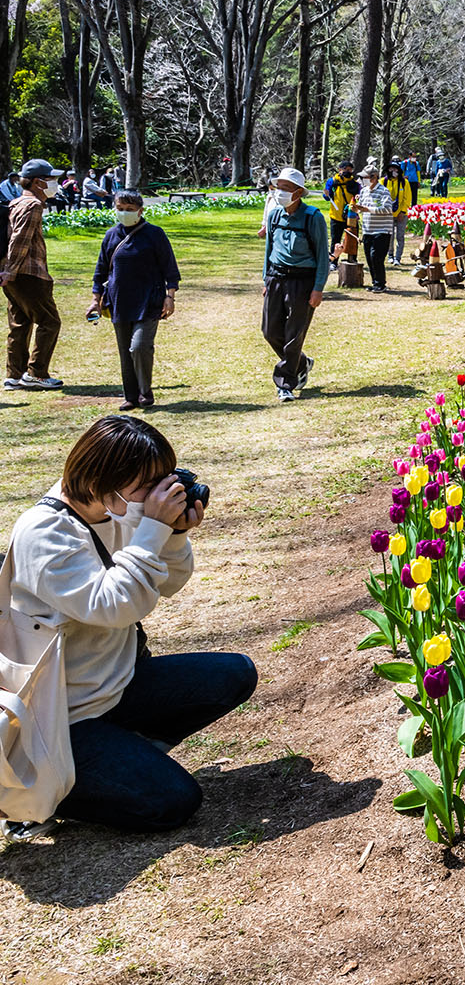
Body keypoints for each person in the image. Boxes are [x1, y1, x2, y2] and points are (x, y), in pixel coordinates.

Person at [1, 414, 255, 832]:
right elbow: (115, 605)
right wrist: (152, 525)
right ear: (105, 478)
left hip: (117, 686)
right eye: (147, 485)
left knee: (235, 673)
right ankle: (40, 798)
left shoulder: (116, 506)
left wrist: (171, 534)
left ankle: (125, 753)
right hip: (62, 720)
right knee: (174, 802)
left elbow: (170, 582)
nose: (157, 494)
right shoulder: (45, 533)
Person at [89, 192, 179, 410]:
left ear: (141, 210)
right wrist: (95, 300)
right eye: (120, 208)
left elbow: (170, 269)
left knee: (139, 347)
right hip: (119, 301)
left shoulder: (154, 234)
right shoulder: (111, 235)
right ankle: (131, 396)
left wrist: (170, 296)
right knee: (124, 351)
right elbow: (100, 271)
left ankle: (145, 391)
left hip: (149, 300)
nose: (125, 213)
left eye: (130, 209)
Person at [262, 167, 329, 402]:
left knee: (294, 333)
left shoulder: (313, 217)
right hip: (276, 277)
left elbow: (323, 256)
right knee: (270, 331)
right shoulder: (274, 215)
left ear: (299, 193)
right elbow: (269, 249)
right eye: (278, 187)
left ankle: (285, 383)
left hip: (303, 280)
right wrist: (265, 280)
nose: (280, 192)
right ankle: (301, 362)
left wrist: (318, 288)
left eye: (286, 188)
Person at [3, 160, 63, 391]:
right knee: (50, 322)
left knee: (20, 323)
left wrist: (7, 272)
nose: (54, 184)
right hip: (28, 273)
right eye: (51, 179)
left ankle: (14, 375)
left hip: (12, 275)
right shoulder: (32, 205)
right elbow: (20, 240)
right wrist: (11, 270)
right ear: (39, 182)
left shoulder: (15, 203)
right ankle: (36, 373)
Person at [356, 168, 399, 293]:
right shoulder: (363, 191)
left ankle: (381, 283)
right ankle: (375, 282)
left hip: (382, 230)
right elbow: (361, 207)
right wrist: (356, 208)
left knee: (376, 257)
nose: (362, 180)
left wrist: (367, 209)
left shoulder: (383, 191)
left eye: (365, 178)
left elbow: (387, 209)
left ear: (373, 177)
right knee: (369, 258)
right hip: (367, 230)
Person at [324, 161, 358, 267]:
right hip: (336, 215)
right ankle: (333, 261)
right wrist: (326, 194)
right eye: (345, 169)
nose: (348, 171)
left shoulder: (355, 183)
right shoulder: (332, 181)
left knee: (353, 238)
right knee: (335, 239)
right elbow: (326, 197)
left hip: (351, 216)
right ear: (340, 170)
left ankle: (352, 259)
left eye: (350, 169)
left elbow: (359, 195)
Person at [388, 161, 415, 265]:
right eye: (391, 169)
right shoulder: (383, 181)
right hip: (388, 214)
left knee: (400, 236)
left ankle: (397, 258)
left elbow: (407, 198)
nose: (393, 171)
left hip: (401, 215)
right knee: (389, 236)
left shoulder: (404, 182)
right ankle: (390, 255)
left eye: (396, 169)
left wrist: (402, 212)